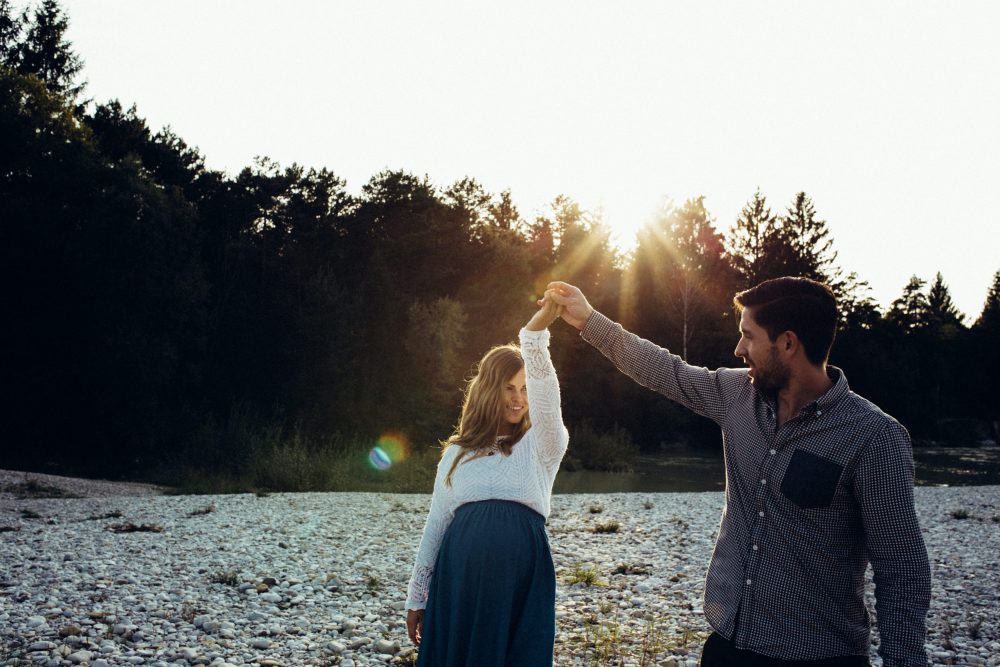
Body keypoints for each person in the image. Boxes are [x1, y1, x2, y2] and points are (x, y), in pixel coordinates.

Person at [543, 277, 931, 667]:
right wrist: (588, 319)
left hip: (818, 656)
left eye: (748, 336)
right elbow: (665, 370)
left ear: (788, 344)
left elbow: (901, 569)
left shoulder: (874, 437)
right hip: (728, 646)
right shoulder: (735, 395)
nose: (738, 349)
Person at [404, 298, 569, 666]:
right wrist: (417, 597)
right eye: (509, 388)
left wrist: (535, 335)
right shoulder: (457, 454)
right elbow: (436, 524)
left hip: (521, 573)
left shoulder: (542, 444)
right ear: (488, 390)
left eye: (524, 388)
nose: (519, 399)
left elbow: (547, 397)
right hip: (459, 575)